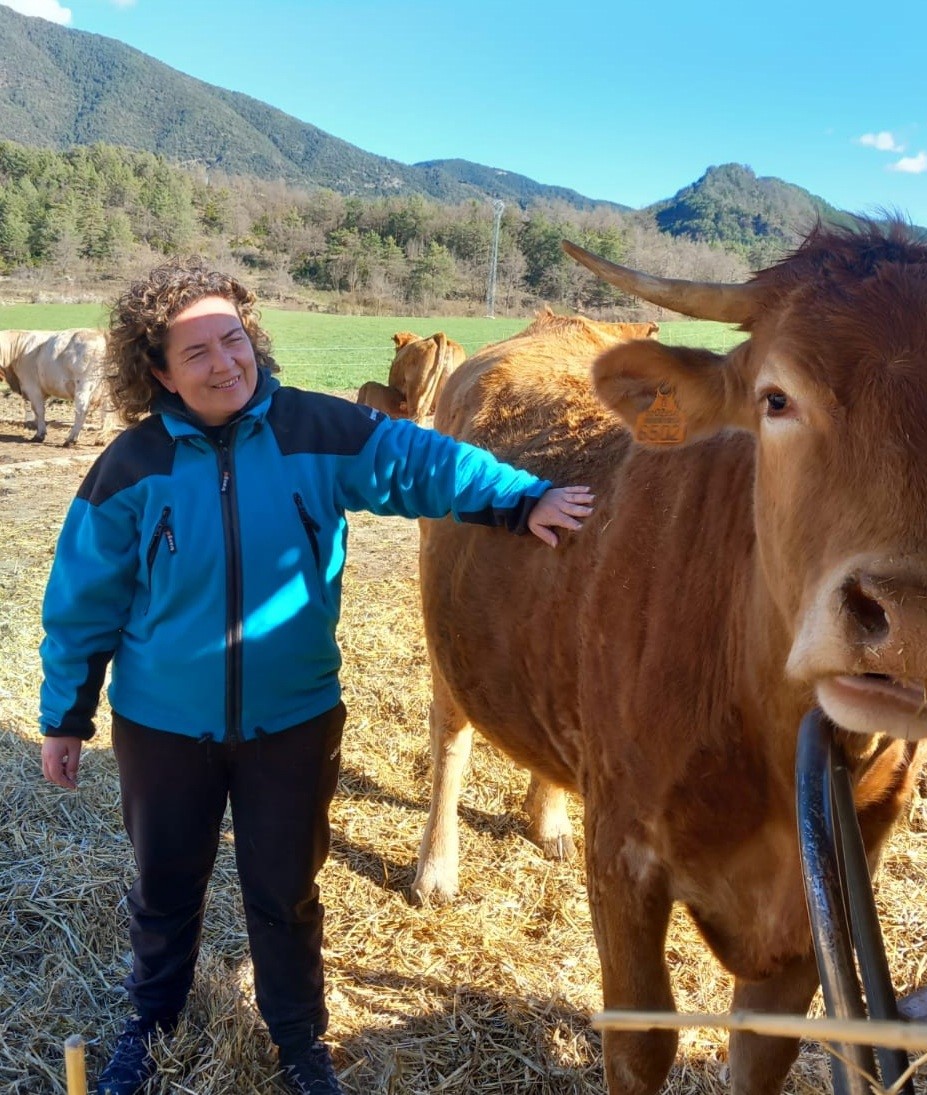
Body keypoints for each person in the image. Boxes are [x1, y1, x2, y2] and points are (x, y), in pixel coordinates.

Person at [38, 259, 594, 1095]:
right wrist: (66, 716)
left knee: (284, 893)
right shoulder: (132, 464)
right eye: (198, 353)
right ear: (158, 371)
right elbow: (83, 598)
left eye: (234, 340)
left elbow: (422, 462)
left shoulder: (313, 429)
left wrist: (521, 500)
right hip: (162, 728)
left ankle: (300, 1042)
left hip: (292, 721)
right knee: (164, 889)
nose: (225, 363)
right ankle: (147, 1029)